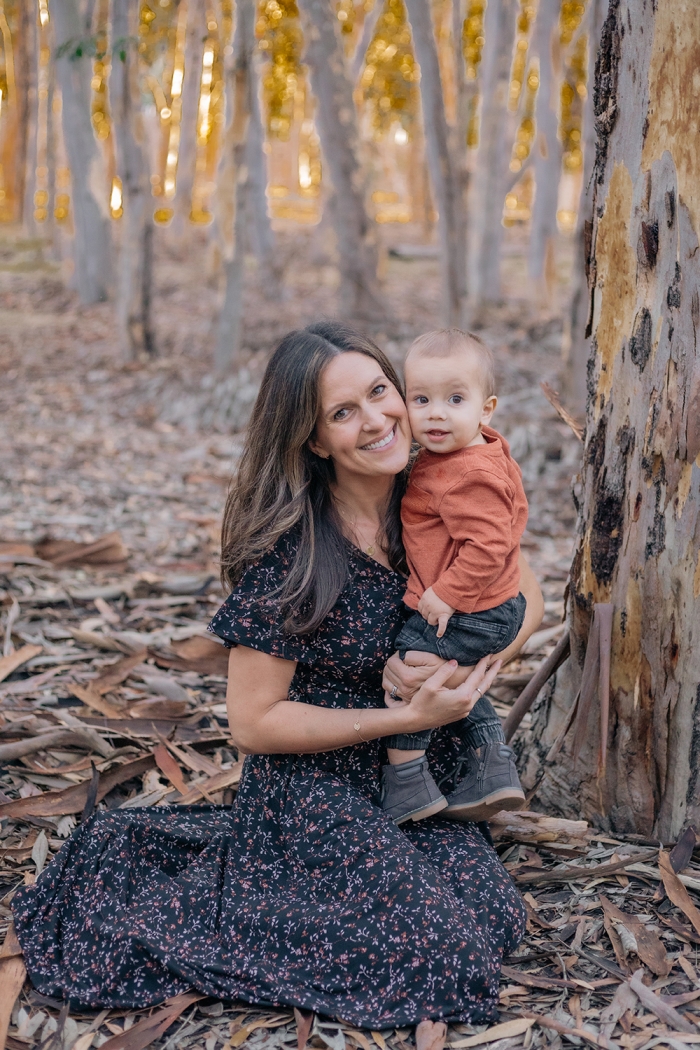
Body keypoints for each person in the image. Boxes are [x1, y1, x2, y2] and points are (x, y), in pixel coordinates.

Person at [13, 322, 542, 1036]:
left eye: (382, 392)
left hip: (406, 783)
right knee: (442, 959)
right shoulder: (293, 554)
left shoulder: (437, 484)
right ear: (316, 439)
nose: (380, 419)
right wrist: (405, 719)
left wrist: (472, 669)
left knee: (493, 913)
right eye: (344, 412)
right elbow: (254, 723)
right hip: (313, 789)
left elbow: (523, 593)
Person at [380, 329, 528, 825]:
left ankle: (406, 781)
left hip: (473, 605)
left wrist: (446, 593)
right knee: (443, 674)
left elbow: (489, 545)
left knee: (413, 671)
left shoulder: (468, 474)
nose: (436, 413)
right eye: (421, 399)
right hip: (490, 605)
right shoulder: (467, 455)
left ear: (485, 409)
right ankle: (492, 765)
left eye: (454, 399)